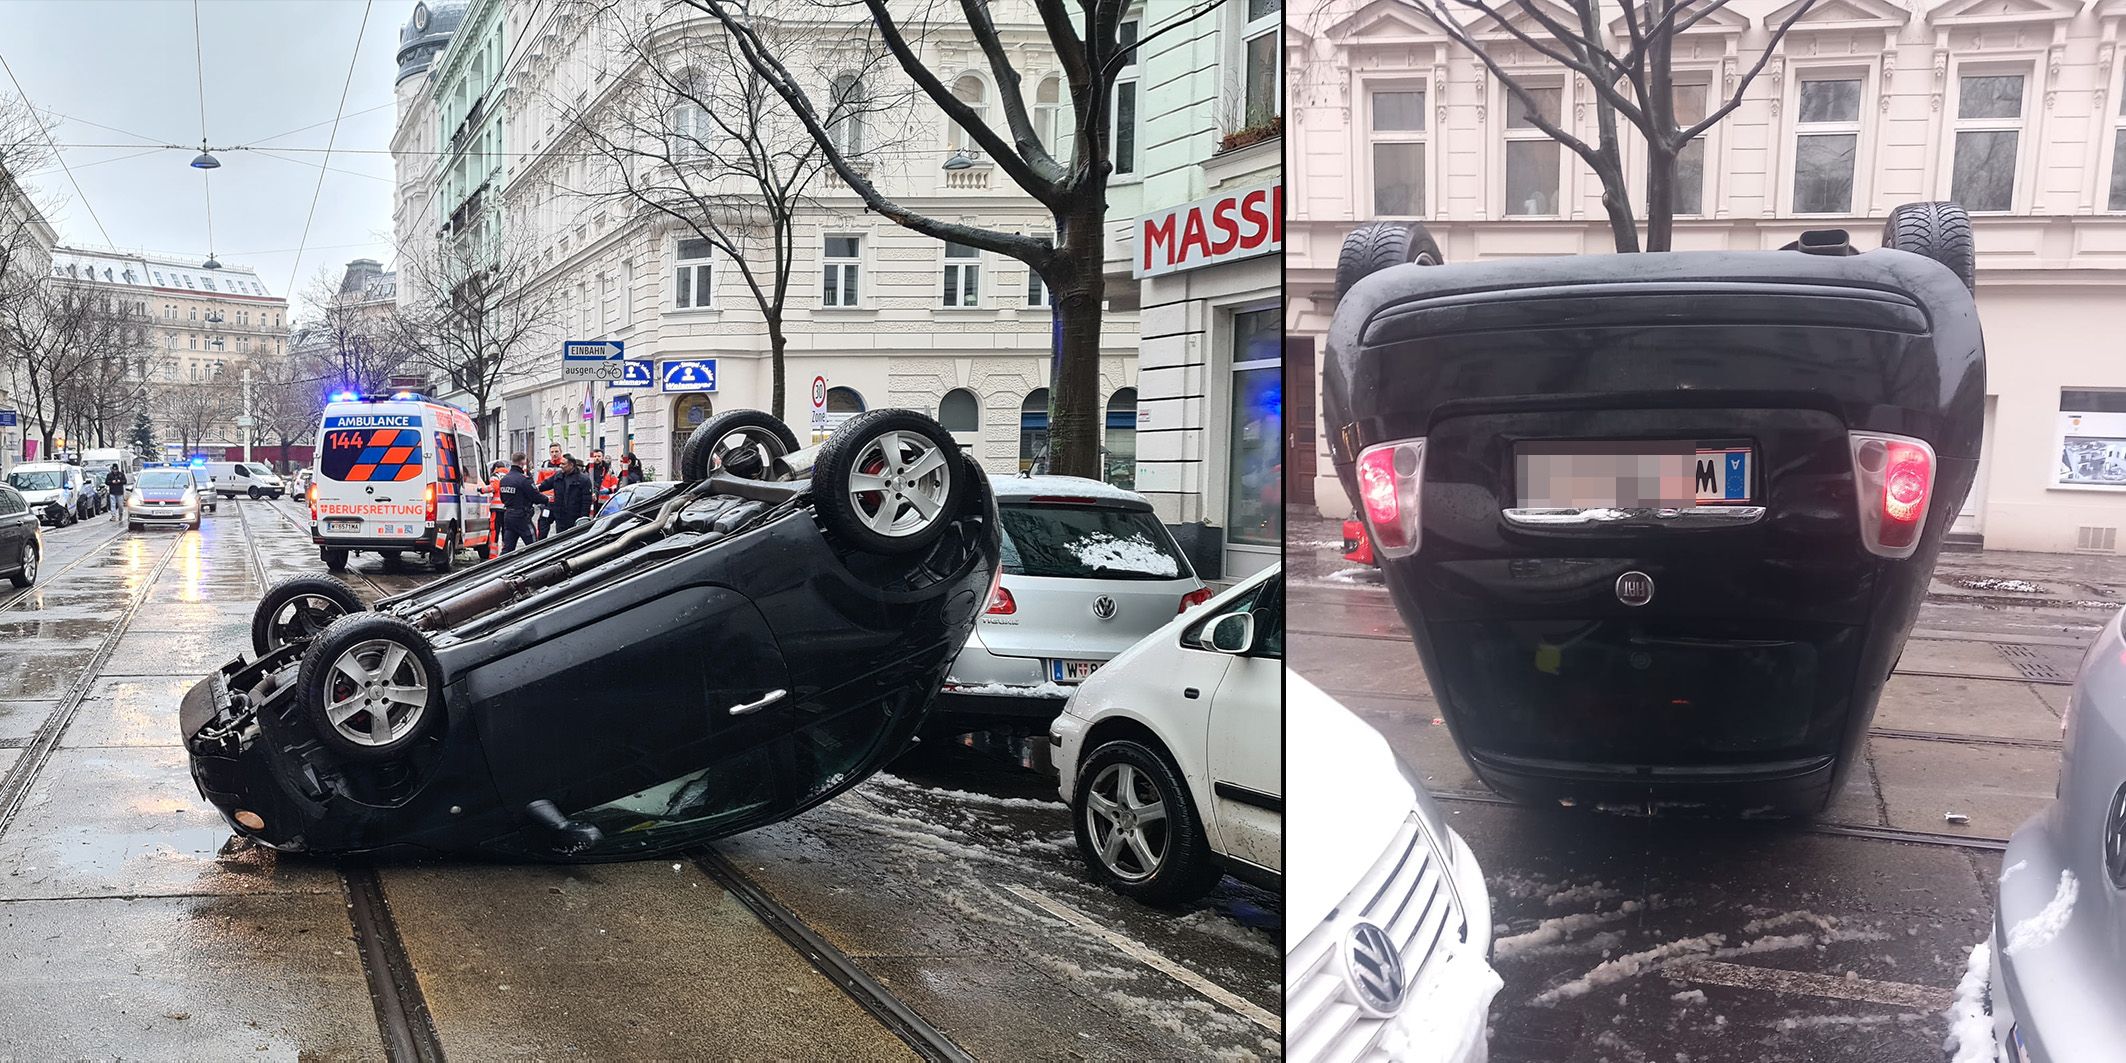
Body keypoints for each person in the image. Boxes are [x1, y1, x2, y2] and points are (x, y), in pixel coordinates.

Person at [495, 453, 540, 555]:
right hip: (522, 516)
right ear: (523, 462)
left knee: (507, 550)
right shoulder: (524, 479)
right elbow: (536, 497)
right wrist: (547, 500)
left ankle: (500, 568)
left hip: (508, 516)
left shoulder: (504, 480)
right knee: (534, 548)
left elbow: (503, 499)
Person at [539, 454, 595, 535]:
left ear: (571, 465)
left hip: (575, 517)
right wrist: (531, 488)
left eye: (563, 464)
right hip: (560, 517)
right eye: (560, 464)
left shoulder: (583, 480)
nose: (560, 466)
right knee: (560, 539)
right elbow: (544, 485)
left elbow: (586, 501)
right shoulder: (558, 476)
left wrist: (583, 518)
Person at [535, 443, 564, 539]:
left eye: (556, 451)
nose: (554, 454)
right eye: (552, 452)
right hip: (547, 502)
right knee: (543, 526)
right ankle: (540, 546)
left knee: (561, 529)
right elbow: (540, 482)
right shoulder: (545, 464)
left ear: (561, 452)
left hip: (560, 502)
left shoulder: (564, 464)